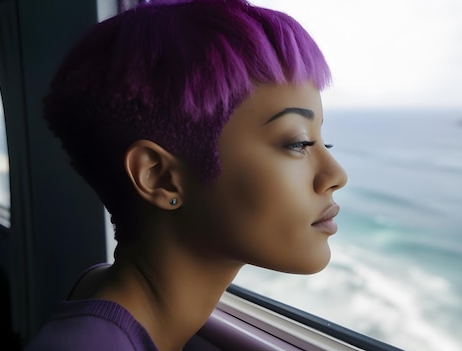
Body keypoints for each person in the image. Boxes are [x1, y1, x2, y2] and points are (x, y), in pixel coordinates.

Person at [25, 0, 347, 350]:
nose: (336, 174)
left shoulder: (100, 288)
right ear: (160, 177)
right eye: (298, 143)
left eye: (323, 141)